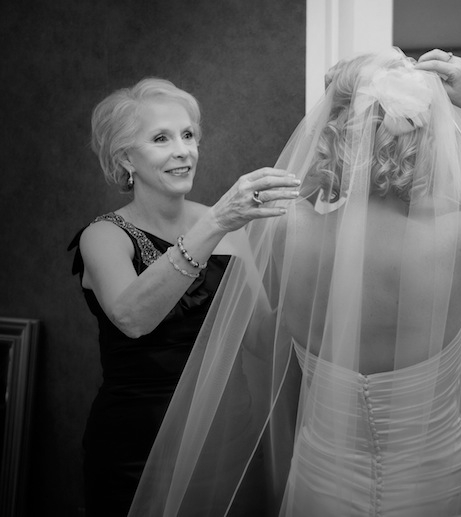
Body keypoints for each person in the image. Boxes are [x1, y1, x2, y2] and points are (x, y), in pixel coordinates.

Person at [127, 48, 461, 516]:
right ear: (426, 141)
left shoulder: (281, 228)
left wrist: (338, 128)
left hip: (322, 483)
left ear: (329, 135)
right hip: (435, 486)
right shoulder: (458, 239)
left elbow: (262, 341)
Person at [68, 78, 300, 517]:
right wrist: (216, 224)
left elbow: (261, 337)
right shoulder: (103, 237)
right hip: (140, 442)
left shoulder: (227, 223)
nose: (184, 150)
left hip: (224, 434)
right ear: (124, 159)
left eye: (189, 135)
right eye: (161, 138)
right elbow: (133, 318)